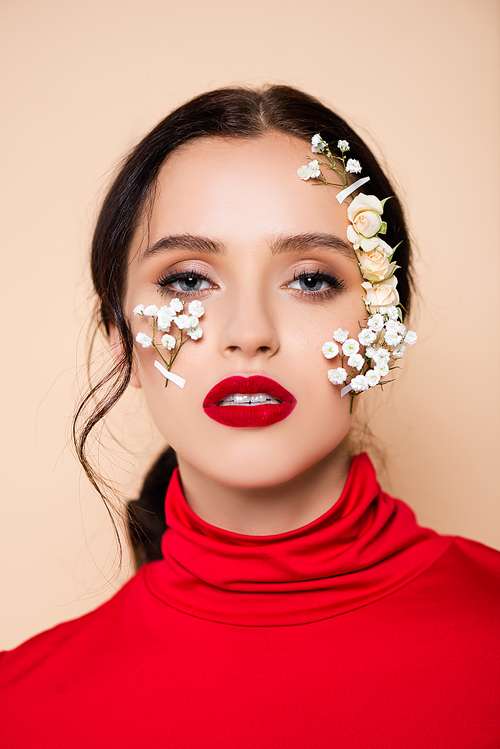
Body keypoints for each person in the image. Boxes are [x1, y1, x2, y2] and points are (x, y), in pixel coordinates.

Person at [0, 85, 498, 748]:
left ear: (384, 326)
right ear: (119, 333)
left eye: (312, 279)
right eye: (188, 279)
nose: (249, 332)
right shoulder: (21, 708)